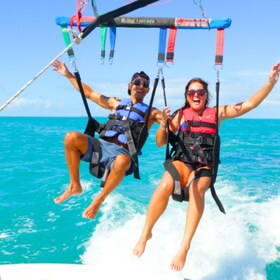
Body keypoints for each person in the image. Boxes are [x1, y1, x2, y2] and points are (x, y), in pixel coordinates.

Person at [133, 62, 280, 271]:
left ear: (205, 95)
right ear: (186, 95)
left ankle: (184, 247)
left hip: (204, 166)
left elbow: (248, 105)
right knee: (166, 183)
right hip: (183, 161)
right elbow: (160, 142)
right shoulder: (180, 115)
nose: (195, 95)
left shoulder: (217, 113)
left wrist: (271, 82)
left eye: (200, 91)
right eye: (191, 92)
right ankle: (146, 232)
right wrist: (165, 123)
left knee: (196, 189)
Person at [52, 60, 162, 219]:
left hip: (123, 153)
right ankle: (75, 185)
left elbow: (171, 123)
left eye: (145, 84)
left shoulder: (151, 112)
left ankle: (99, 200)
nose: (141, 86)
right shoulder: (115, 103)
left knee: (123, 160)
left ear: (148, 90)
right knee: (71, 137)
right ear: (130, 85)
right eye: (137, 82)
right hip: (101, 146)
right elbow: (89, 93)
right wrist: (68, 75)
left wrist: (167, 120)